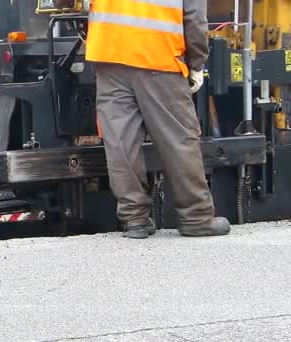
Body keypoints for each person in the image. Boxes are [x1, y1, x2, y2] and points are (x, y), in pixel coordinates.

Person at [83, 0, 231, 238]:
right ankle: (196, 217)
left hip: (108, 55)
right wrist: (196, 63)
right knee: (178, 139)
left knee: (121, 143)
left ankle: (135, 220)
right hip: (158, 55)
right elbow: (194, 18)